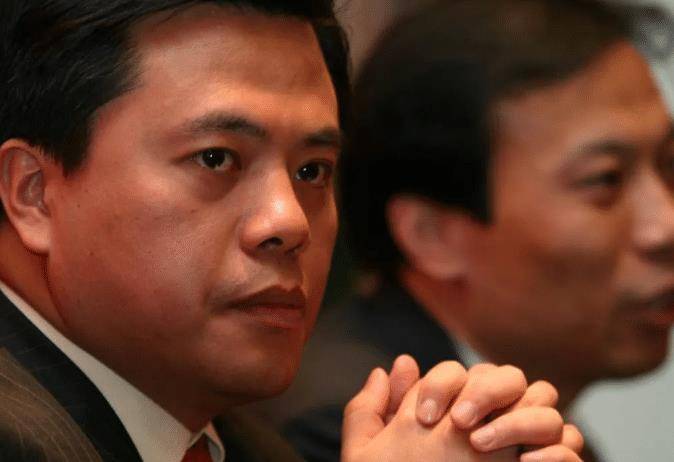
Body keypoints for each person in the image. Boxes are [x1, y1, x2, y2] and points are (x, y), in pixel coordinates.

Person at [0, 1, 583, 461]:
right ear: (34, 194)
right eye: (216, 158)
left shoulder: (252, 448)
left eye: (312, 171)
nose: (289, 221)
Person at [255, 0, 674, 461]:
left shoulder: (521, 415)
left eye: (669, 166)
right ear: (431, 235)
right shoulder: (363, 432)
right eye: (606, 180)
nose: (666, 226)